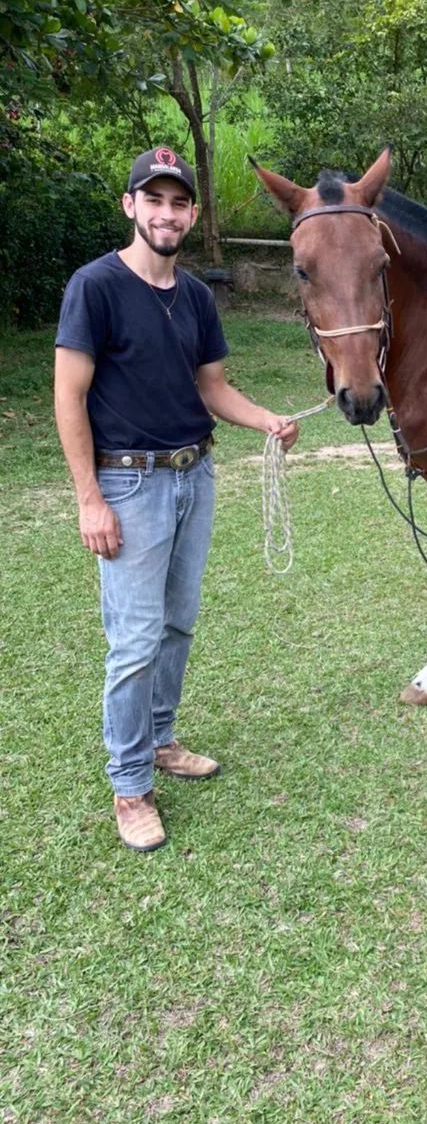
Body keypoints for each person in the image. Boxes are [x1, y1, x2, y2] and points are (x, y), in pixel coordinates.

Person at [54, 146, 299, 853]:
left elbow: (210, 386)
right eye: (154, 200)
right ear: (130, 206)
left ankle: (161, 741)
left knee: (177, 625)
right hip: (128, 483)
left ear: (192, 214)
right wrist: (89, 499)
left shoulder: (194, 296)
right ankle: (130, 786)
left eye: (179, 202)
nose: (167, 214)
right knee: (134, 641)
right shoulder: (95, 287)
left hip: (195, 476)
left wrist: (266, 419)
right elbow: (68, 395)